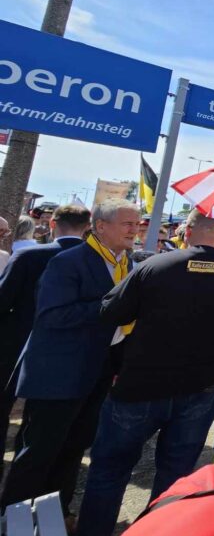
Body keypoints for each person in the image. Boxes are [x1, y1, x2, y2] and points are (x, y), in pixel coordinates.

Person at [72, 210, 214, 536]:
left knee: (109, 471)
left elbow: (110, 312)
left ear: (187, 232)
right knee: (174, 477)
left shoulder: (154, 266)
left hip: (139, 385)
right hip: (199, 389)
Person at [0, 200, 139, 516]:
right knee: (40, 452)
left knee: (74, 448)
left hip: (98, 373)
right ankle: (14, 519)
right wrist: (111, 306)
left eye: (137, 222)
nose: (135, 229)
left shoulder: (126, 265)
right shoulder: (69, 261)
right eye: (127, 223)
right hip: (59, 374)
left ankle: (55, 513)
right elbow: (51, 316)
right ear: (100, 227)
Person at [0, 204, 90, 472]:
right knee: (42, 426)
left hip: (16, 345)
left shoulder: (28, 256)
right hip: (69, 353)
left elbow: (3, 301)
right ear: (87, 227)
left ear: (52, 224)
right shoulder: (95, 262)